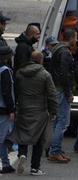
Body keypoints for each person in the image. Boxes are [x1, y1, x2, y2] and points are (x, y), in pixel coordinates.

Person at [8, 50, 57, 176]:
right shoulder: (45, 74)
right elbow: (52, 94)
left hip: (23, 109)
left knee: (23, 135)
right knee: (39, 140)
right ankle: (35, 168)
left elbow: (15, 91)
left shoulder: (19, 73)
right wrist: (53, 111)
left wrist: (14, 108)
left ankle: (23, 154)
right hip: (40, 111)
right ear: (41, 60)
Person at [47, 29, 76, 163]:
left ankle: (55, 148)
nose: (76, 41)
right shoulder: (65, 52)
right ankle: (55, 150)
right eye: (75, 38)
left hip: (56, 87)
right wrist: (68, 92)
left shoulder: (57, 50)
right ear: (71, 38)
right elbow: (65, 73)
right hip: (61, 89)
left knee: (58, 120)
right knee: (62, 121)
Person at [0, 46, 15, 174]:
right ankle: (5, 164)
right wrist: (12, 109)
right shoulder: (5, 71)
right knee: (3, 138)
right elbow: (7, 92)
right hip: (3, 108)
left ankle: (6, 163)